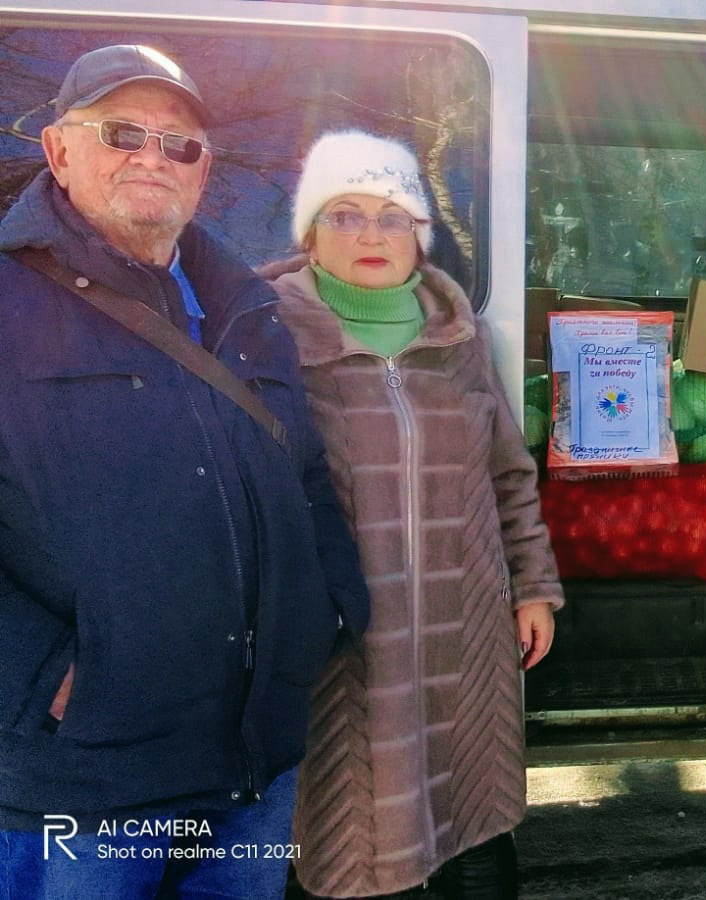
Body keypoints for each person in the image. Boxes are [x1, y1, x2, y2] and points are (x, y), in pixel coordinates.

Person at [0, 44, 369, 898]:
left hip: (250, 767)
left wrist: (331, 611)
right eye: (121, 132)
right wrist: (35, 680)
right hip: (85, 780)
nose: (152, 158)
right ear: (58, 149)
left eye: (181, 144)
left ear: (204, 175)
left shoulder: (249, 309)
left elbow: (306, 477)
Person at [258, 130, 564, 899]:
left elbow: (508, 473)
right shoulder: (264, 337)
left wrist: (532, 587)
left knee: (474, 816)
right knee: (354, 827)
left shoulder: (458, 337)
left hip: (467, 628)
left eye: (392, 215)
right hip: (346, 642)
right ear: (310, 234)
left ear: (419, 235)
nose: (370, 234)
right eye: (345, 214)